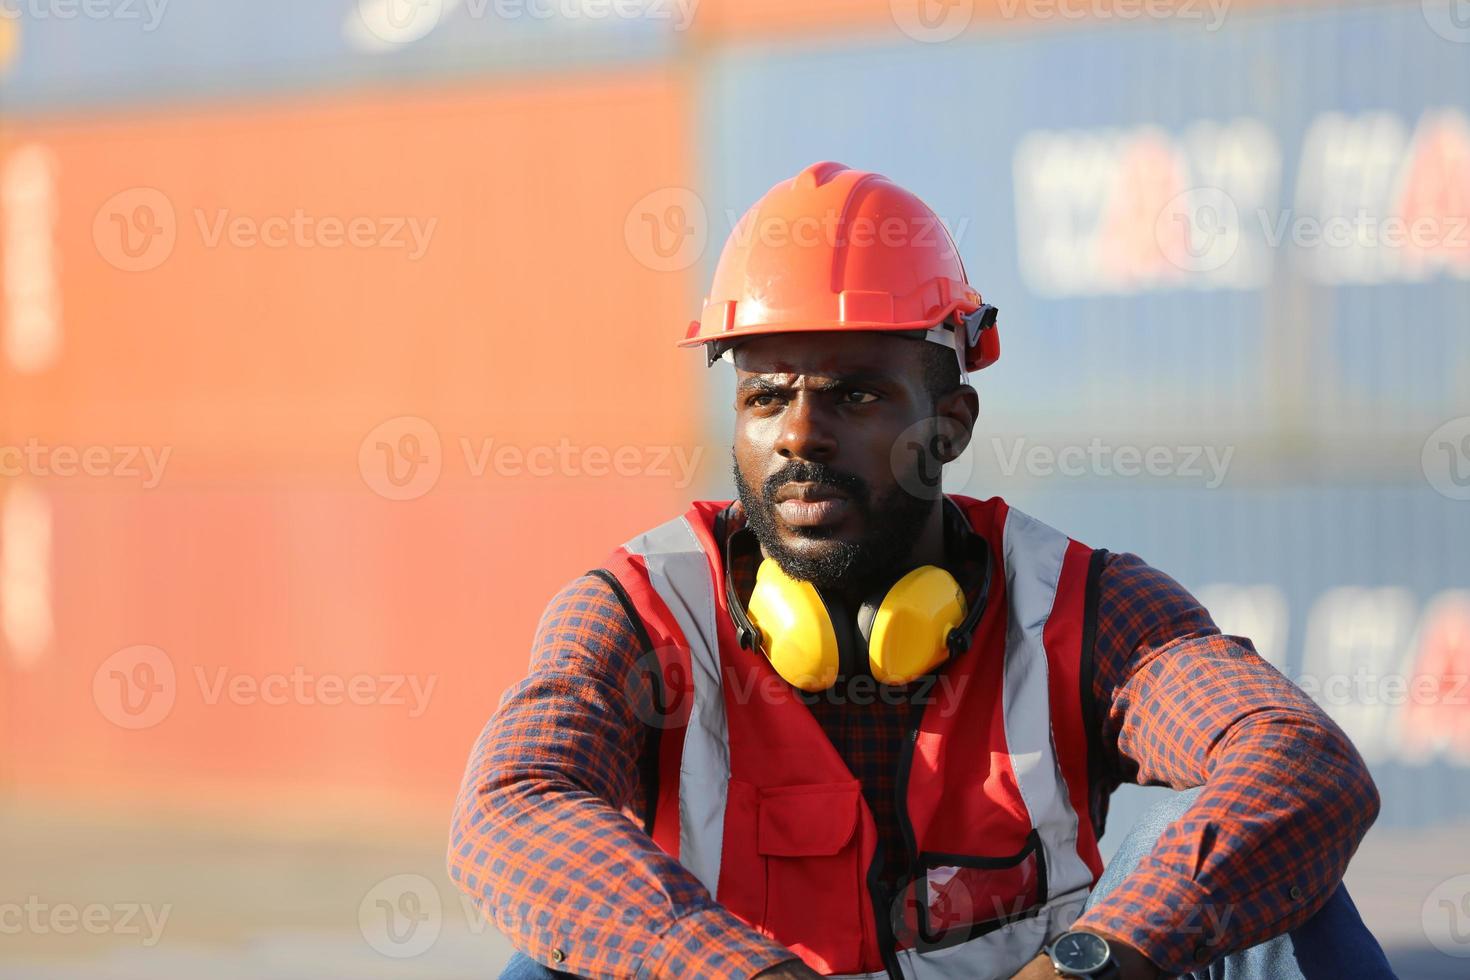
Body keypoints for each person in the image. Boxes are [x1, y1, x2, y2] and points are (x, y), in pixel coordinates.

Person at [448, 162, 1396, 979]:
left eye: (854, 394)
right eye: (765, 396)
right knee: (560, 954)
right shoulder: (644, 613)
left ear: (950, 426)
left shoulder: (1082, 607)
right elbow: (512, 806)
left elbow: (1299, 763)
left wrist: (1100, 960)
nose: (798, 437)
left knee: (1287, 895)